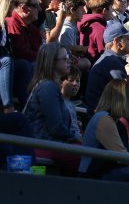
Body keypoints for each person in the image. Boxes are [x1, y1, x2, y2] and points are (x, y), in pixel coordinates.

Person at [23, 43, 81, 175]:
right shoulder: (48, 87)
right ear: (52, 62)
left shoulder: (49, 85)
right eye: (65, 59)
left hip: (51, 144)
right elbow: (56, 127)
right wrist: (76, 138)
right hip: (44, 145)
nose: (69, 62)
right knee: (91, 157)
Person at [84, 21, 129, 111]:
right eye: (127, 39)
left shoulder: (110, 58)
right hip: (102, 114)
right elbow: (124, 93)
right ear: (117, 42)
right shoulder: (112, 62)